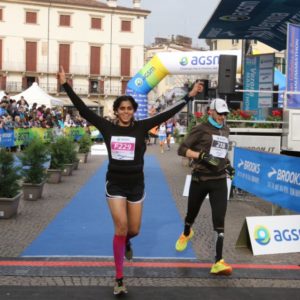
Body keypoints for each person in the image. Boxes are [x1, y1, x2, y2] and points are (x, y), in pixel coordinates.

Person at [58, 66, 203, 295]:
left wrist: (189, 96)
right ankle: (119, 278)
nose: (125, 112)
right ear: (116, 111)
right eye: (122, 108)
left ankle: (127, 242)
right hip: (114, 184)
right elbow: (83, 110)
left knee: (133, 230)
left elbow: (166, 114)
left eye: (129, 108)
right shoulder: (107, 127)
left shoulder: (142, 127)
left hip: (136, 185)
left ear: (133, 111)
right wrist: (66, 85)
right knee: (121, 227)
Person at [175, 98, 235, 276]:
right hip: (200, 179)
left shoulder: (225, 129)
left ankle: (218, 262)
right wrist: (201, 155)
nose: (222, 117)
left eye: (225, 114)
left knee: (219, 220)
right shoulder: (200, 129)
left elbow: (221, 153)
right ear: (210, 111)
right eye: (219, 113)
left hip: (219, 180)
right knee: (191, 214)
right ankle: (186, 232)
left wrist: (228, 165)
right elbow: (181, 149)